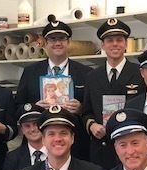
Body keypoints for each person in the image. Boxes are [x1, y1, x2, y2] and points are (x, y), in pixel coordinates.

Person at [15, 20, 91, 160]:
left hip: (76, 143)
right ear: (45, 43)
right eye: (52, 39)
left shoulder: (86, 73)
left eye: (62, 38)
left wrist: (81, 108)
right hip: (39, 141)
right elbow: (18, 106)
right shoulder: (30, 72)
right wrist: (34, 108)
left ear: (69, 42)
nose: (57, 43)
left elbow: (93, 108)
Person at [81, 18, 145, 170]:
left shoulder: (140, 73)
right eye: (109, 40)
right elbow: (86, 112)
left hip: (131, 148)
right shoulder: (92, 76)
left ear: (126, 44)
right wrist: (92, 125)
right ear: (103, 45)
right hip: (101, 148)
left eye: (119, 40)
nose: (115, 44)